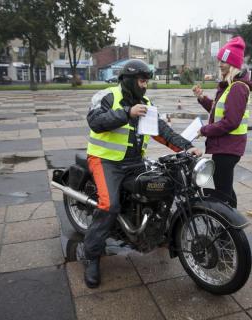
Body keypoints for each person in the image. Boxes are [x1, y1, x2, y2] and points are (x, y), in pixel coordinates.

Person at [84, 59, 202, 288]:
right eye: (141, 81)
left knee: (163, 187)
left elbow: (161, 131)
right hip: (105, 160)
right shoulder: (107, 96)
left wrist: (186, 147)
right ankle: (91, 255)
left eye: (147, 81)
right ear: (128, 80)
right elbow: (95, 122)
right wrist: (127, 113)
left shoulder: (145, 103)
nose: (145, 85)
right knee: (109, 205)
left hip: (134, 162)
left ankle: (157, 233)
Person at [192, 36, 252, 208]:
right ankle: (232, 222)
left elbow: (230, 122)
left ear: (234, 63)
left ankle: (227, 224)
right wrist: (201, 98)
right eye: (220, 60)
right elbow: (217, 111)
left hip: (228, 147)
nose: (220, 64)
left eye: (224, 61)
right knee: (225, 187)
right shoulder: (230, 85)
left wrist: (205, 130)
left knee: (221, 190)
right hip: (225, 146)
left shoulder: (238, 88)